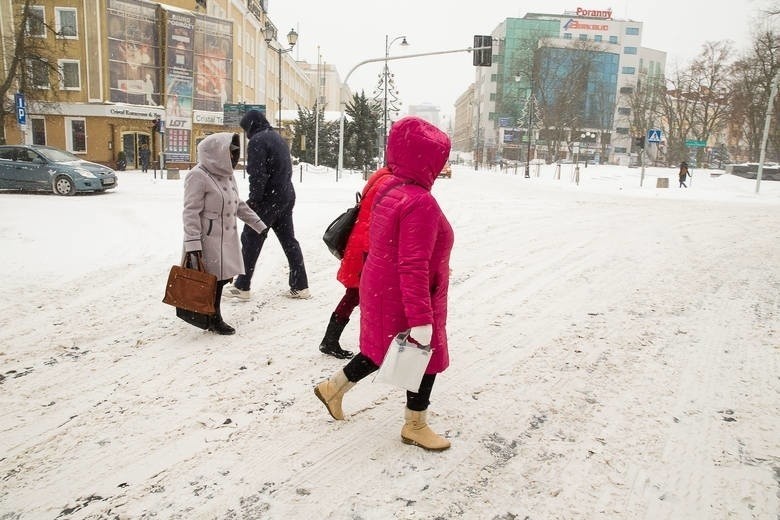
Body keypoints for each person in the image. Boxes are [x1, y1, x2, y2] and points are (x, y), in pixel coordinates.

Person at [314, 116, 454, 451]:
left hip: (381, 287)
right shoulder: (420, 202)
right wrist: (422, 319)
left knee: (381, 349)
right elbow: (413, 264)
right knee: (425, 356)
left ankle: (333, 388)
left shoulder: (390, 187)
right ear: (429, 159)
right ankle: (415, 425)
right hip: (408, 294)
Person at [182, 132, 267, 335]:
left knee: (221, 279)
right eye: (230, 152)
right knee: (211, 280)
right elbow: (190, 212)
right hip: (207, 238)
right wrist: (193, 244)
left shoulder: (228, 175)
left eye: (235, 152)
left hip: (226, 237)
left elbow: (238, 204)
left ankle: (211, 314)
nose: (233, 157)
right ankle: (213, 317)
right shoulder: (198, 175)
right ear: (216, 152)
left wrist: (258, 224)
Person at [224, 109, 310, 300]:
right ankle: (300, 285)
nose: (246, 134)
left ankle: (242, 286)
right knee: (289, 241)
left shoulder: (257, 141)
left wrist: (254, 200)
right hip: (286, 195)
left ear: (251, 126)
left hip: (268, 199)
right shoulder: (277, 138)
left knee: (250, 239)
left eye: (246, 129)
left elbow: (258, 174)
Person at [318, 167, 394, 359]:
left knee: (359, 295)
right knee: (361, 295)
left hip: (361, 242)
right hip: (367, 247)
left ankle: (331, 339)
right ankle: (331, 340)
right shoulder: (390, 182)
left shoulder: (382, 176)